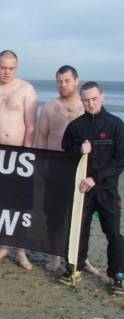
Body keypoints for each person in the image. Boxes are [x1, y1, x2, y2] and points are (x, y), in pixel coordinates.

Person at [60, 81, 124, 295]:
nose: (90, 103)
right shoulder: (76, 126)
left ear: (102, 97)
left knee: (113, 233)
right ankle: (74, 268)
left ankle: (117, 276)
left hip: (106, 189)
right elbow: (66, 149)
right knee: (78, 231)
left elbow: (120, 160)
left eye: (94, 98)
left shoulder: (116, 125)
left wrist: (95, 178)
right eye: (86, 100)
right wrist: (79, 148)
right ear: (82, 100)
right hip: (82, 190)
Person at [38, 65, 99, 275]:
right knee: (54, 215)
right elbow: (42, 138)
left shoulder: (86, 108)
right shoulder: (49, 108)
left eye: (67, 80)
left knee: (82, 217)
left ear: (76, 81)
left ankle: (82, 259)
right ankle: (55, 256)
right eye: (59, 81)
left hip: (81, 170)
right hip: (56, 168)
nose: (63, 85)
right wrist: (43, 165)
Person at [0, 50, 37, 270]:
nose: (7, 71)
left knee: (20, 206)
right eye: (3, 67)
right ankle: (4, 246)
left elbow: (30, 125)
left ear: (17, 67)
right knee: (0, 205)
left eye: (11, 68)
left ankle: (21, 250)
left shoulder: (26, 89)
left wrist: (27, 154)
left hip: (20, 155)